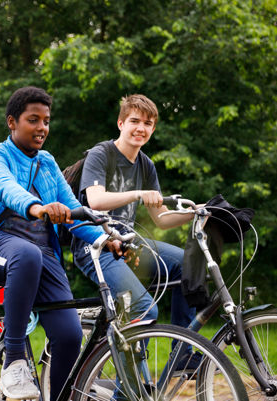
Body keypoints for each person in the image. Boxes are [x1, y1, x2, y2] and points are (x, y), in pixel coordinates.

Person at [0, 86, 120, 400]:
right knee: (27, 253)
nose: (42, 128)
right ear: (12, 122)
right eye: (33, 120)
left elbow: (73, 213)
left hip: (41, 250)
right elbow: (5, 187)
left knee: (68, 335)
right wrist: (38, 207)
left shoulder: (47, 161)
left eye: (46, 121)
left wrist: (106, 238)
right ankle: (14, 361)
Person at [72, 94, 198, 364]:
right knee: (144, 308)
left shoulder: (146, 164)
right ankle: (127, 393)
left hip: (129, 246)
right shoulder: (101, 153)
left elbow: (161, 219)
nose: (141, 128)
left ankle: (182, 355)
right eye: (135, 121)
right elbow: (95, 200)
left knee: (189, 264)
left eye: (148, 123)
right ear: (120, 123)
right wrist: (138, 193)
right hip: (95, 246)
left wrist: (193, 214)